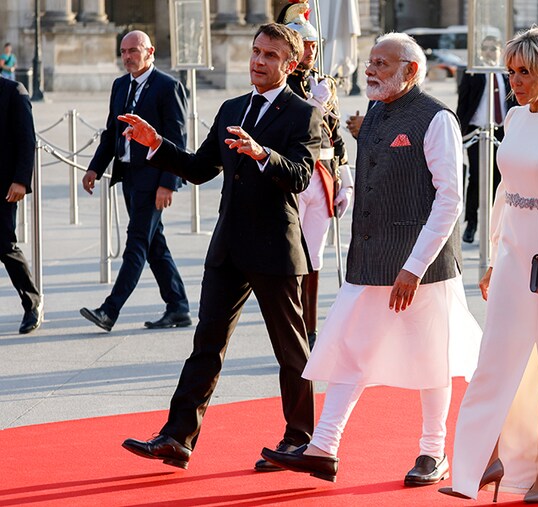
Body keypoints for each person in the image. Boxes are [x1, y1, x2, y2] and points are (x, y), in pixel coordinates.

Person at [260, 32, 481, 486]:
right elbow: (376, 175)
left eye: (382, 63)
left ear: (411, 70)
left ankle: (433, 452)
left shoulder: (437, 119)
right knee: (349, 350)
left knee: (432, 357)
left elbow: (450, 200)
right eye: (370, 61)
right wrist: (347, 192)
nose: (370, 70)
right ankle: (323, 447)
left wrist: (414, 268)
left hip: (423, 267)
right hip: (369, 259)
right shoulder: (376, 112)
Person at [119, 23, 321, 470]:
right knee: (206, 344)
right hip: (228, 247)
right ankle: (176, 438)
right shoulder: (232, 107)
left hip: (275, 248)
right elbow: (199, 168)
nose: (258, 61)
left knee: (291, 349)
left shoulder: (302, 113)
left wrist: (262, 153)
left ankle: (300, 440)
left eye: (270, 55)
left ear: (289, 64)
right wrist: (158, 145)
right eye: (255, 52)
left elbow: (302, 175)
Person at [440, 26, 538, 503]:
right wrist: (493, 256)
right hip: (512, 258)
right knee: (494, 363)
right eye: (512, 71)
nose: (516, 81)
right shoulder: (514, 116)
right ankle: (475, 467)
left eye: (525, 71)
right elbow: (505, 192)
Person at [79, 30, 191, 332]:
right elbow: (111, 133)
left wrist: (168, 182)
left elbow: (176, 138)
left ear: (150, 51)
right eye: (123, 51)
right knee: (155, 245)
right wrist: (95, 169)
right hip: (129, 176)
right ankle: (178, 307)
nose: (127, 57)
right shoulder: (120, 86)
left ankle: (109, 310)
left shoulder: (169, 87)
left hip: (154, 178)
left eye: (133, 50)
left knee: (137, 242)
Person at [278, 2, 354, 350]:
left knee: (314, 258)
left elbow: (335, 135)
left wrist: (345, 177)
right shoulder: (282, 86)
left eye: (314, 44)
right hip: (294, 175)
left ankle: (310, 329)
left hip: (322, 175)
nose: (312, 50)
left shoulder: (324, 83)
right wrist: (315, 107)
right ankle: (292, 327)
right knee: (291, 258)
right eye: (305, 44)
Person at [456, 35, 514, 244]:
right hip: (477, 132)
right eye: (486, 48)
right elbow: (463, 104)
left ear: (500, 51)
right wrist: (459, 133)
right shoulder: (474, 73)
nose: (490, 52)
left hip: (501, 133)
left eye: (494, 48)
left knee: (499, 180)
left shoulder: (507, 74)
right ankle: (471, 222)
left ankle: (494, 224)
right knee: (478, 178)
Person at [0, 77, 43, 334]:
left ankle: (32, 303)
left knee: (4, 244)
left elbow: (27, 141)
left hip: (4, 186)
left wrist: (20, 181)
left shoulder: (13, 91)